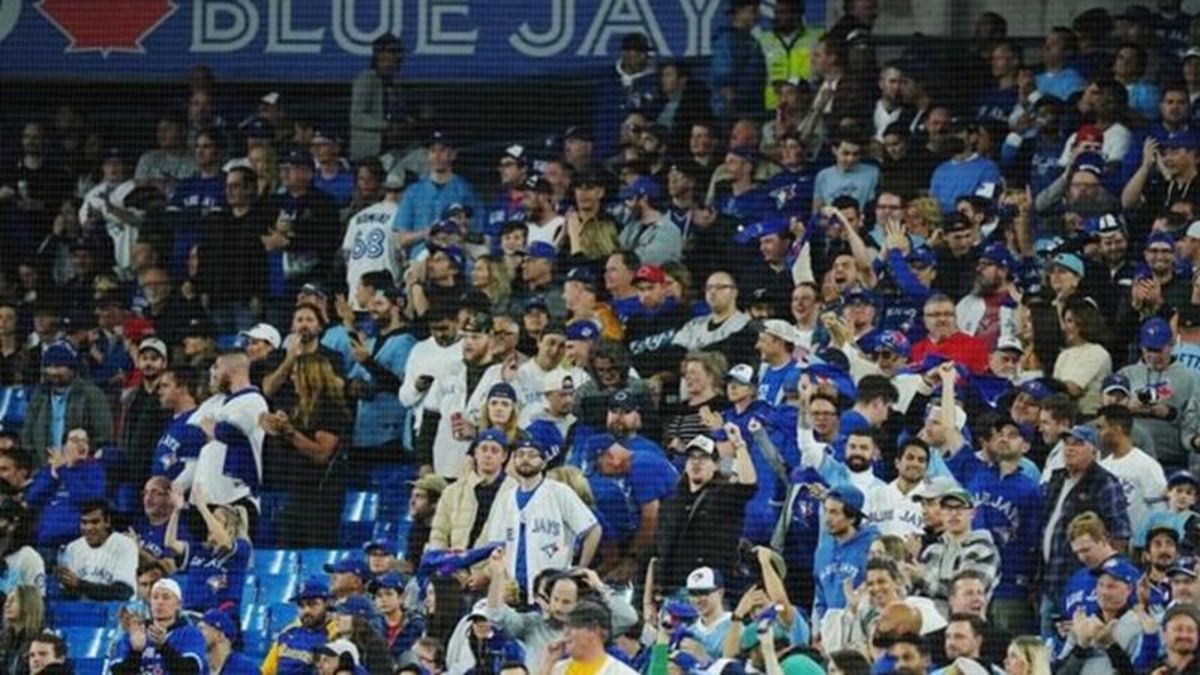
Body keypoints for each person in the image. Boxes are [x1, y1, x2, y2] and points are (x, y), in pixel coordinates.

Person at [483, 433, 600, 599]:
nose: (525, 459)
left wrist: (579, 568)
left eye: (532, 455)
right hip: (513, 590)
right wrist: (501, 580)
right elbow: (496, 547)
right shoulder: (505, 498)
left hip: (552, 590)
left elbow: (593, 530)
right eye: (520, 455)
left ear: (544, 462)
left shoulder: (559, 492)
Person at [262, 353, 351, 548]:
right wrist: (275, 430)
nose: (292, 378)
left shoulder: (330, 408)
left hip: (321, 499)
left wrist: (290, 432)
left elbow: (321, 454)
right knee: (287, 548)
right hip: (296, 493)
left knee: (315, 555)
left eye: (296, 374)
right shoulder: (298, 409)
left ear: (310, 376)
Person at [21, 341, 112, 468]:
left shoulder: (92, 395)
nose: (53, 371)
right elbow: (27, 435)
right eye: (49, 366)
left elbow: (103, 437)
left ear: (72, 369)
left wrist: (77, 456)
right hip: (43, 469)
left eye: (59, 366)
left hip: (81, 469)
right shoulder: (39, 396)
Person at [165, 483, 251, 614]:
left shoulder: (242, 548)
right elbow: (170, 543)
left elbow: (224, 542)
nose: (209, 524)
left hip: (220, 617)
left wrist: (202, 507)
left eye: (215, 520)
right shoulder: (200, 549)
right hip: (190, 613)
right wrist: (176, 511)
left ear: (230, 528)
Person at [25, 426, 104, 548]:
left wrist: (64, 471)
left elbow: (89, 501)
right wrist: (53, 475)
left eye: (85, 441)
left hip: (77, 543)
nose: (81, 444)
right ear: (63, 446)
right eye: (75, 440)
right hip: (45, 542)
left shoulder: (94, 469)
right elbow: (32, 499)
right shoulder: (49, 470)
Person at [109, 578, 207, 674]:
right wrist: (136, 652)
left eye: (166, 597)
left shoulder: (190, 634)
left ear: (179, 604)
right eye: (155, 597)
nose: (159, 602)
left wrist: (164, 647)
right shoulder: (136, 633)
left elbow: (190, 671)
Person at [55, 500, 136, 601]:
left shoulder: (125, 544)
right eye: (84, 522)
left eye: (95, 522)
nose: (88, 528)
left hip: (113, 613)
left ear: (107, 522)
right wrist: (64, 582)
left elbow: (123, 592)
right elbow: (69, 595)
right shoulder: (73, 548)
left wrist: (80, 584)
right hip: (81, 611)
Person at [262, 577, 334, 675]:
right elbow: (266, 671)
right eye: (301, 605)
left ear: (327, 604)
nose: (306, 611)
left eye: (312, 604)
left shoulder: (333, 636)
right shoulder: (288, 633)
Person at [544, 601, 638, 675]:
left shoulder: (621, 672)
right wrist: (548, 662)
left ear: (594, 631)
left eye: (573, 626)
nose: (566, 633)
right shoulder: (556, 670)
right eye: (566, 627)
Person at [198, 608, 259, 674]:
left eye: (201, 628)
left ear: (220, 636)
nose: (196, 633)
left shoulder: (245, 669)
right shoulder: (199, 669)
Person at [0, 585, 44, 674]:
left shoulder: (42, 640)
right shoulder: (2, 638)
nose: (6, 605)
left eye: (12, 601)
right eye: (6, 601)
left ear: (28, 604)